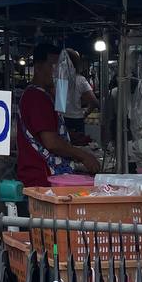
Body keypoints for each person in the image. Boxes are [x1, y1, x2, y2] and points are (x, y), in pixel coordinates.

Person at [17, 42, 100, 189]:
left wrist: (69, 137)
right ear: (38, 67)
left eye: (60, 67)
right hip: (41, 179)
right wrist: (83, 155)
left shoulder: (44, 95)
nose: (57, 72)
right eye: (53, 66)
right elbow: (51, 142)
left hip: (45, 178)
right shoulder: (37, 97)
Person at [63, 48, 99, 138]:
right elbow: (94, 102)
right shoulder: (80, 80)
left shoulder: (55, 80)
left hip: (61, 120)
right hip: (76, 120)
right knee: (77, 147)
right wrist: (85, 113)